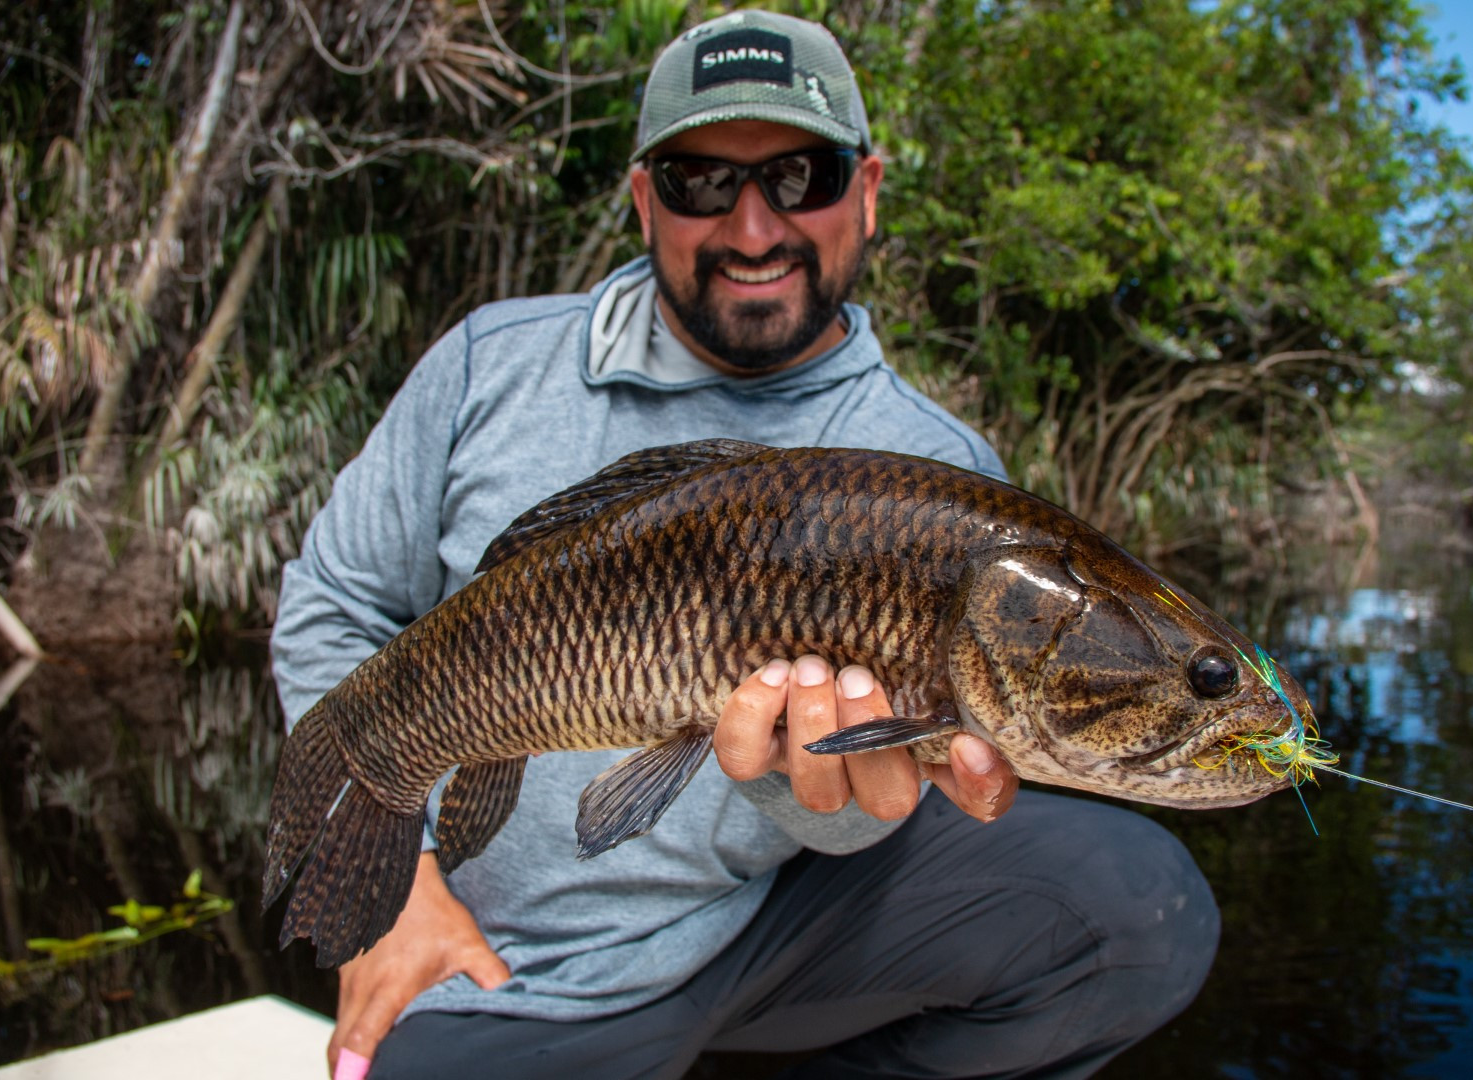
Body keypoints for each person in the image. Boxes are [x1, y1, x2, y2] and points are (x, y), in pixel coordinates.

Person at [271, 11, 1219, 1079]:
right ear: (643, 199)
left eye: (802, 177)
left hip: (772, 927)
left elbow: (879, 808)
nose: (755, 229)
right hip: (515, 962)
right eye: (701, 183)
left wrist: (804, 787)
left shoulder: (940, 462)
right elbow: (334, 603)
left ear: (866, 191)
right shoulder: (490, 367)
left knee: (1136, 910)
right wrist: (403, 894)